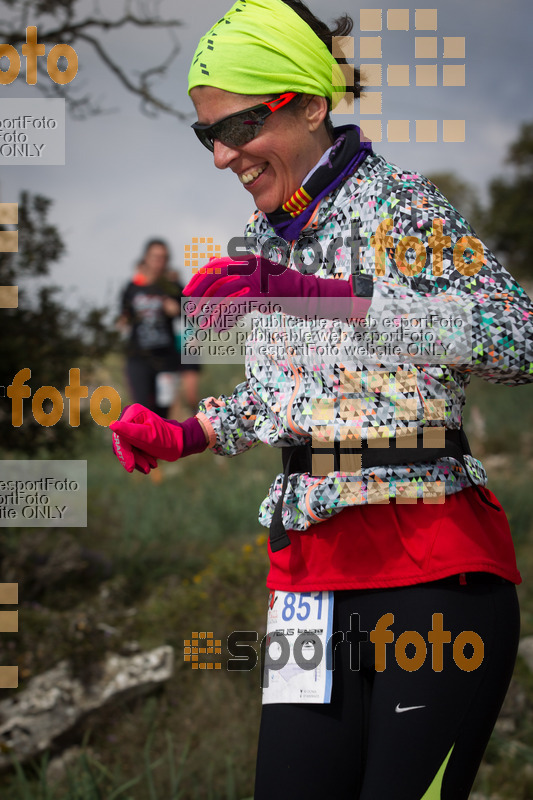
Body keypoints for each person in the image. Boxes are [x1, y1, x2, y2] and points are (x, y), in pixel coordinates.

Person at [109, 1, 533, 798]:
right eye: (207, 136)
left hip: (429, 569)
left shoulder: (402, 206)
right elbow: (281, 398)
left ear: (309, 103)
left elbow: (517, 339)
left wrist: (332, 297)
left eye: (236, 128)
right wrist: (184, 435)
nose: (221, 156)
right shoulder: (264, 241)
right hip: (308, 585)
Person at [119, 239, 182, 419]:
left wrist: (176, 309)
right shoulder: (131, 289)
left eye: (163, 258)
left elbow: (191, 314)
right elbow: (124, 316)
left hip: (166, 359)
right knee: (142, 409)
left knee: (163, 413)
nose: (159, 262)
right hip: (138, 358)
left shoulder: (173, 287)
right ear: (146, 258)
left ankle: (159, 446)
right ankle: (142, 446)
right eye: (155, 257)